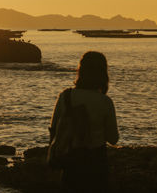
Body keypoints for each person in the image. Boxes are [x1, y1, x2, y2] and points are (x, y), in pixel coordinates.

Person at [49, 51, 119, 193]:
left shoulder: (66, 97)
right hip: (96, 163)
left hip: (71, 162)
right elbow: (113, 139)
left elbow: (54, 129)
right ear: (103, 73)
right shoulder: (105, 101)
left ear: (80, 70)